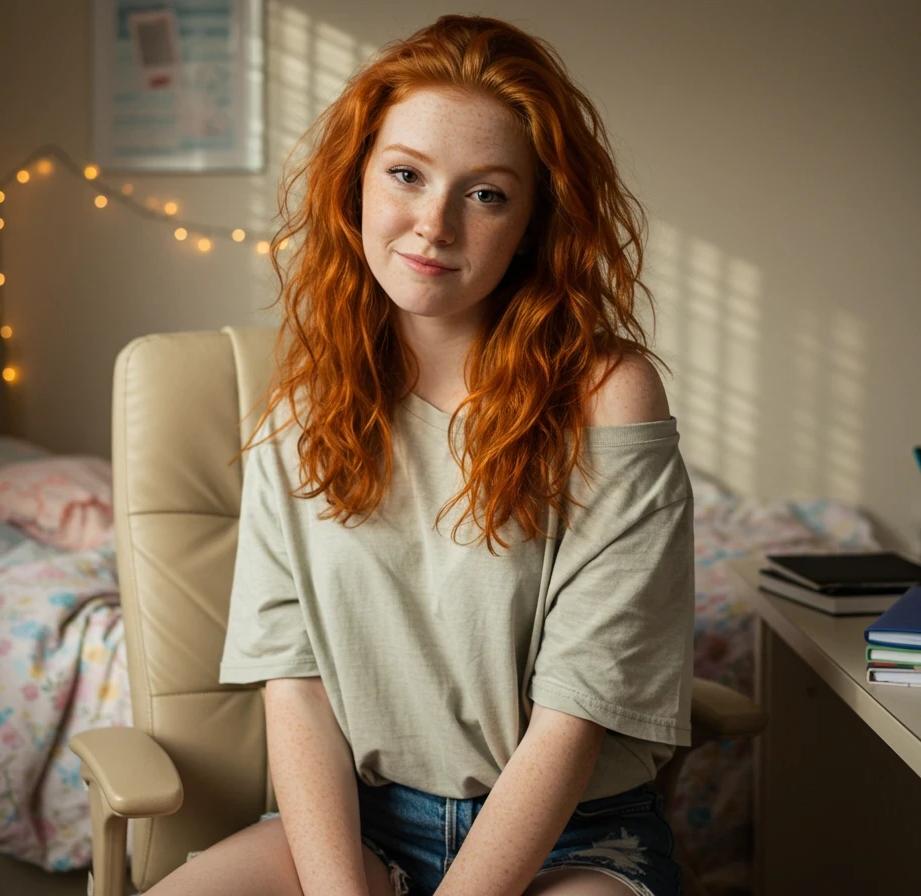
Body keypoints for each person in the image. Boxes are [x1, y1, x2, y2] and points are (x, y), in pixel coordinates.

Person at [150, 14, 694, 896]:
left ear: (531, 223)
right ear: (356, 184)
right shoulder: (299, 408)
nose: (433, 223)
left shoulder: (608, 395)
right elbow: (296, 687)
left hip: (571, 836)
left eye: (486, 194)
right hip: (352, 822)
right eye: (406, 174)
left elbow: (576, 712)